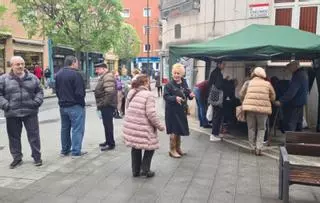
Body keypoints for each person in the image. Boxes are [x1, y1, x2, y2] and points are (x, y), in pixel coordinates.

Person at [0, 56, 43, 168]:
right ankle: (17, 158)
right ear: (12, 65)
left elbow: (40, 91)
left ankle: (37, 156)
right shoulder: (4, 79)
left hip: (30, 112)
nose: (20, 66)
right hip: (12, 113)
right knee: (14, 137)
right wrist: (6, 105)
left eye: (22, 64)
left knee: (34, 136)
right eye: (17, 64)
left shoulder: (33, 78)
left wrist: (36, 102)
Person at [123, 74, 165, 178]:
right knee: (150, 147)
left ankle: (135, 171)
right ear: (146, 83)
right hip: (144, 127)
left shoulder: (131, 92)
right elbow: (151, 114)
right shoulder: (148, 94)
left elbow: (126, 109)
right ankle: (145, 170)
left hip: (131, 125)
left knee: (135, 146)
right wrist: (160, 126)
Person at [55, 56, 87, 157]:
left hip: (63, 106)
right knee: (77, 129)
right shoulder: (76, 74)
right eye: (77, 62)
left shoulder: (58, 74)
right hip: (75, 105)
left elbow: (57, 90)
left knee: (65, 128)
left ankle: (65, 150)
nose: (77, 65)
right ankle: (76, 151)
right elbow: (80, 93)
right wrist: (81, 103)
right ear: (73, 63)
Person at [240, 67, 276, 156]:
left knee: (251, 128)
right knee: (261, 128)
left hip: (250, 109)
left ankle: (252, 147)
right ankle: (259, 148)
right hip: (263, 111)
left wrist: (244, 101)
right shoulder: (267, 84)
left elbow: (241, 94)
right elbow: (273, 97)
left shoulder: (248, 83)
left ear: (254, 74)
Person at [164, 63, 195, 158]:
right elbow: (166, 96)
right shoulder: (169, 85)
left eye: (178, 73)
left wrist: (190, 95)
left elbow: (187, 92)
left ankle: (178, 148)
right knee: (174, 130)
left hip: (181, 111)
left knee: (179, 129)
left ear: (182, 74)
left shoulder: (183, 82)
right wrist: (175, 98)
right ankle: (172, 150)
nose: (176, 75)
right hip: (172, 111)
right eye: (175, 73)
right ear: (172, 73)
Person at [275, 61, 308, 132]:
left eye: (290, 68)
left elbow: (292, 91)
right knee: (298, 123)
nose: (289, 70)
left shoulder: (298, 75)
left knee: (290, 124)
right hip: (301, 102)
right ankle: (298, 142)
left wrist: (281, 100)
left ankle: (290, 142)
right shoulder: (303, 73)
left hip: (295, 103)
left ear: (295, 66)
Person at [94, 63, 117, 151]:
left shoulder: (107, 77)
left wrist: (104, 103)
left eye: (98, 69)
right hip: (105, 105)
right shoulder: (105, 77)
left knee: (108, 124)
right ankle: (108, 141)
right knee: (106, 124)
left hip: (107, 105)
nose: (96, 71)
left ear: (104, 69)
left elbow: (110, 92)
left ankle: (111, 143)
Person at [207, 61, 226, 142]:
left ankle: (215, 133)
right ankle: (214, 134)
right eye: (223, 64)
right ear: (219, 64)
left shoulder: (214, 72)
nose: (224, 66)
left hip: (213, 96)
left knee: (216, 115)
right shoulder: (218, 73)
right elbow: (218, 85)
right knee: (216, 116)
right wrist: (225, 82)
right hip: (216, 97)